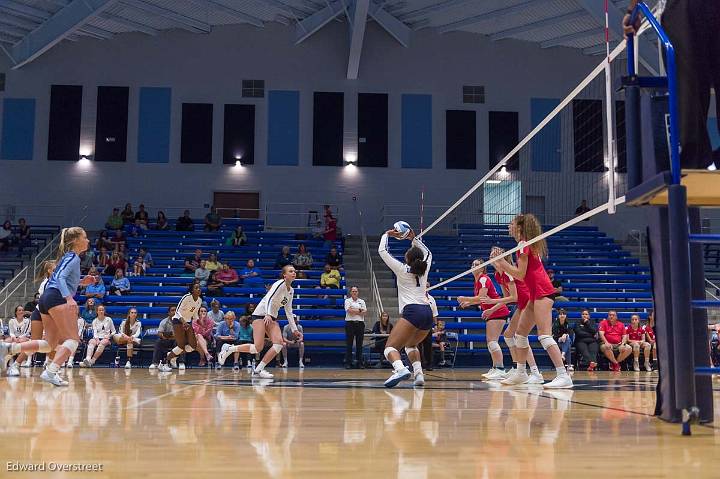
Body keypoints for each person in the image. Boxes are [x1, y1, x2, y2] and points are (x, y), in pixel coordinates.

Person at [624, 0, 720, 170]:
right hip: (684, 8)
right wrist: (632, 10)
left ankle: (695, 160)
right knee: (687, 83)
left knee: (687, 82)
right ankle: (695, 161)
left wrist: (632, 10)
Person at [1, 228, 94, 386]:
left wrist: (81, 282)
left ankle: (10, 348)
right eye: (85, 237)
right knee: (72, 339)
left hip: (46, 298)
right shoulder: (73, 258)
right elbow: (59, 278)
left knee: (50, 344)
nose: (88, 240)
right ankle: (51, 372)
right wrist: (68, 298)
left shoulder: (69, 257)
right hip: (56, 298)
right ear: (76, 241)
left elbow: (59, 279)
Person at [492, 214, 573, 388]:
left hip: (543, 292)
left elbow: (520, 274)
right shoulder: (523, 245)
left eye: (511, 224)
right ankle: (521, 372)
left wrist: (501, 262)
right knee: (520, 334)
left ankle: (563, 375)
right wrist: (501, 264)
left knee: (544, 335)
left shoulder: (523, 245)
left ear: (519, 228)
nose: (509, 226)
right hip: (535, 294)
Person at [217, 265, 301, 379]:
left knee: (278, 344)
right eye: (291, 271)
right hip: (260, 315)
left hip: (271, 318)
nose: (294, 273)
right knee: (257, 348)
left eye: (294, 271)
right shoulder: (279, 284)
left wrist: (294, 329)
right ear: (284, 275)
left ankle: (258, 370)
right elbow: (269, 298)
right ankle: (229, 348)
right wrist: (267, 313)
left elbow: (289, 311)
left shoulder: (291, 290)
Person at [377, 226, 432, 388]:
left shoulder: (401, 269)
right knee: (410, 345)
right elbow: (428, 253)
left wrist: (386, 234)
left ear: (407, 259)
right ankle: (419, 374)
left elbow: (383, 251)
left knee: (390, 348)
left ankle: (400, 369)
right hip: (427, 312)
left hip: (413, 311)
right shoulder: (425, 267)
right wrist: (413, 239)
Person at [485, 247, 544, 383]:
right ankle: (517, 368)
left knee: (520, 337)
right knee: (508, 335)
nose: (491, 256)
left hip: (528, 302)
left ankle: (535, 373)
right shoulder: (497, 275)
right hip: (521, 304)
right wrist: (493, 308)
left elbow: (514, 297)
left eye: (494, 254)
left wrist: (492, 302)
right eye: (491, 254)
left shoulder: (508, 272)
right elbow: (507, 298)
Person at [458, 259, 512, 380]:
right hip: (492, 312)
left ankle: (500, 369)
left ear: (482, 268)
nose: (473, 266)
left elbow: (481, 297)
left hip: (497, 311)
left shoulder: (483, 278)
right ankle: (495, 367)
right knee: (490, 342)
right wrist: (468, 303)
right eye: (472, 264)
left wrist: (464, 298)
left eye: (476, 264)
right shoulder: (478, 280)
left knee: (492, 341)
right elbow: (480, 299)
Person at [5, 260, 56, 376]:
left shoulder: (59, 282)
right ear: (49, 271)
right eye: (55, 269)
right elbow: (47, 302)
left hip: (53, 314)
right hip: (42, 312)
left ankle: (50, 369)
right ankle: (15, 364)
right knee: (34, 344)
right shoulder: (46, 284)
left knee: (55, 343)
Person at [158, 283, 203, 373]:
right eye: (196, 288)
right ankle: (163, 363)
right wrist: (183, 322)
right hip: (178, 321)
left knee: (193, 346)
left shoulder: (199, 300)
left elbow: (194, 313)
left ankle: (172, 354)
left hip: (188, 322)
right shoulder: (186, 297)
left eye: (199, 288)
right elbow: (177, 312)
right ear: (192, 290)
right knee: (181, 346)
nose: (199, 289)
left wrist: (198, 320)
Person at [343, 286, 367, 369]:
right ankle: (348, 363)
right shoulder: (347, 301)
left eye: (356, 291)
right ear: (350, 292)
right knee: (349, 344)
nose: (354, 292)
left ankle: (359, 363)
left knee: (359, 344)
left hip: (360, 323)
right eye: (353, 291)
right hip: (350, 323)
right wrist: (359, 310)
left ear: (358, 292)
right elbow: (349, 311)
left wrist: (355, 310)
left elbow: (364, 312)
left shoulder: (362, 301)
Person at [149, 306, 177, 370]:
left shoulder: (180, 322)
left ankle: (181, 362)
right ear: (169, 313)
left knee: (181, 342)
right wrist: (163, 336)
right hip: (167, 340)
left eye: (175, 310)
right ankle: (155, 363)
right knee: (158, 342)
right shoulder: (164, 321)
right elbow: (159, 333)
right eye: (172, 310)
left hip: (176, 340)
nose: (174, 312)